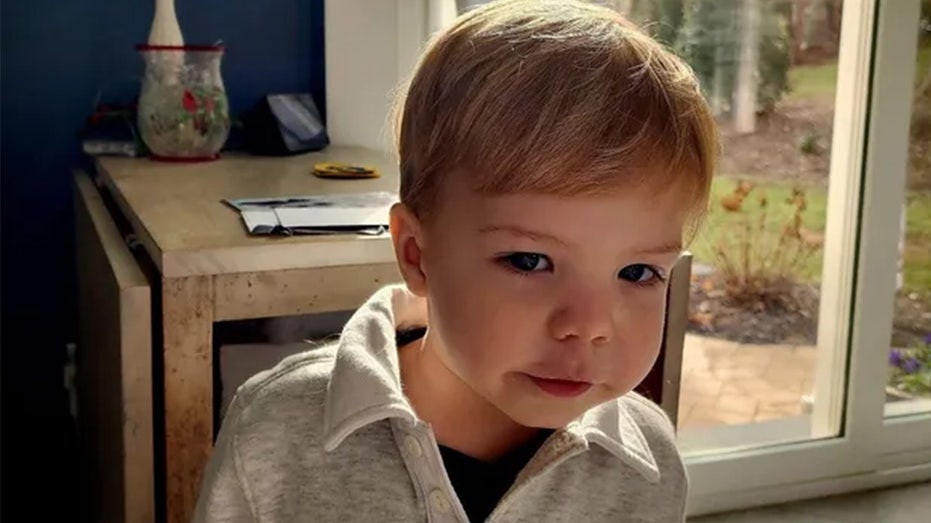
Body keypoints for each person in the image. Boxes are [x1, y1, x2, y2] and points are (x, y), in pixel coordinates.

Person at [193, 0, 718, 521]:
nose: (588, 325)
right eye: (529, 261)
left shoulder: (648, 466)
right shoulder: (275, 436)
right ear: (417, 254)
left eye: (637, 273)